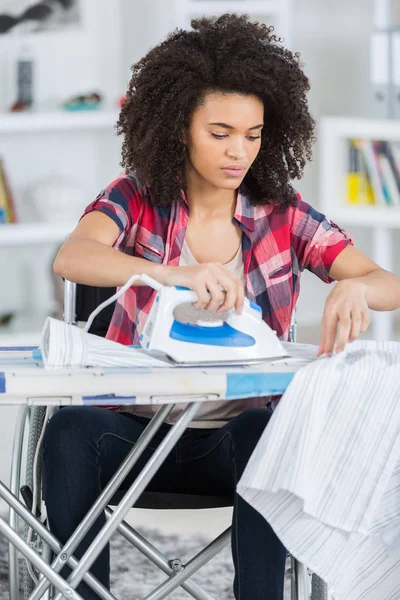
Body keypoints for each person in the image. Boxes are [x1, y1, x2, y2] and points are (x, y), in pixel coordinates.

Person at [43, 13, 400, 600]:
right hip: (132, 436)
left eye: (253, 135)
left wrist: (356, 287)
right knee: (70, 431)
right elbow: (74, 256)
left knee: (268, 428)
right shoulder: (134, 199)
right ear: (179, 125)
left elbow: (383, 278)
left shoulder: (283, 215)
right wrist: (170, 274)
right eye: (220, 133)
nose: (240, 152)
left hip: (233, 441)